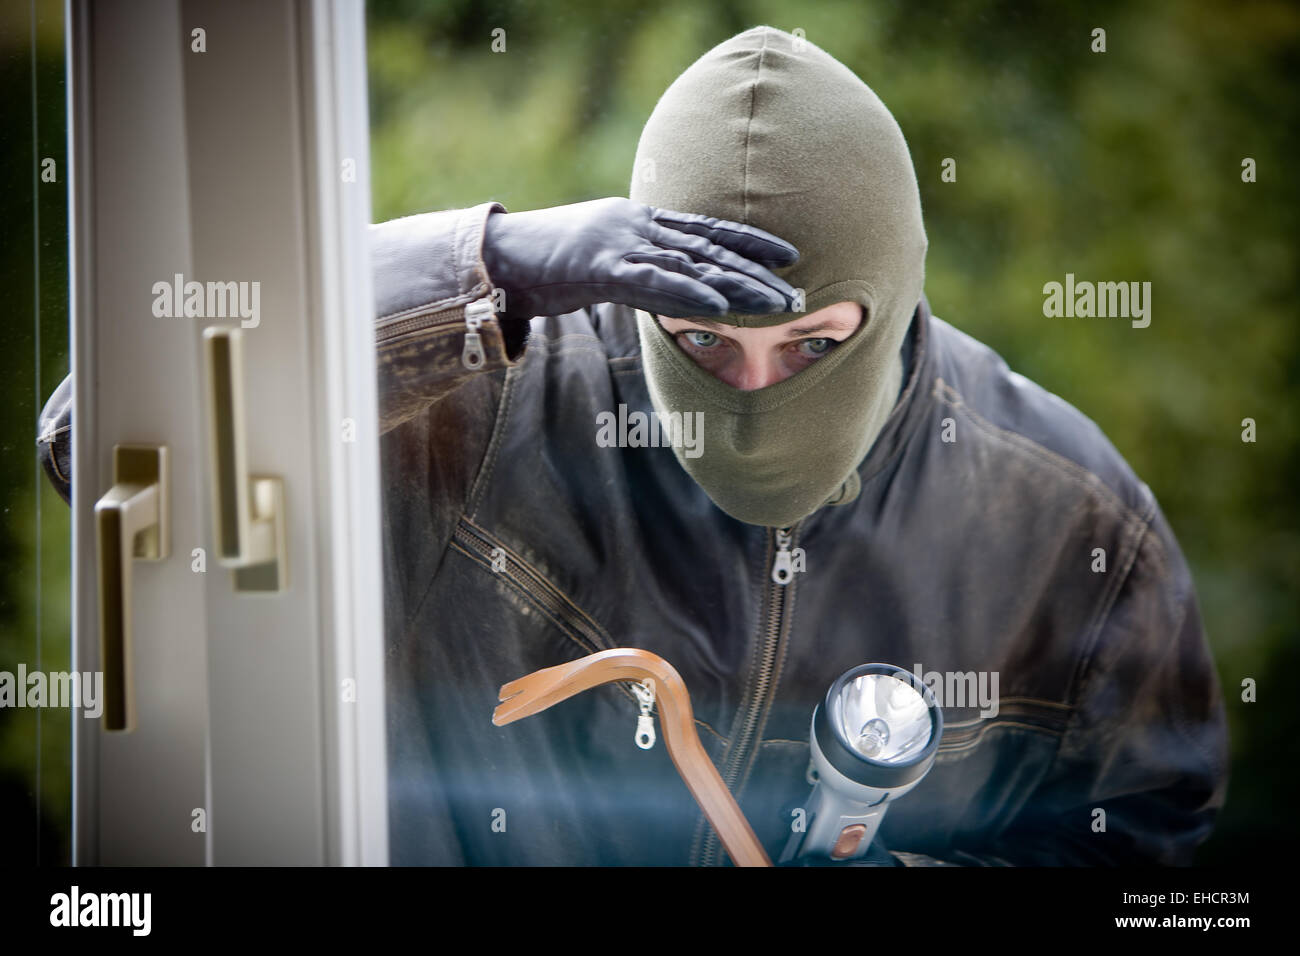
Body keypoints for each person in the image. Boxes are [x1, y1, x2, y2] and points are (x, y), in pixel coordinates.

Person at [40, 26, 1227, 866]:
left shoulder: (1068, 520)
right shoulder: (474, 407)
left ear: (899, 295)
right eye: (702, 343)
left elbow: (1150, 846)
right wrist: (482, 266)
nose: (755, 393)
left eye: (813, 347)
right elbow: (102, 437)